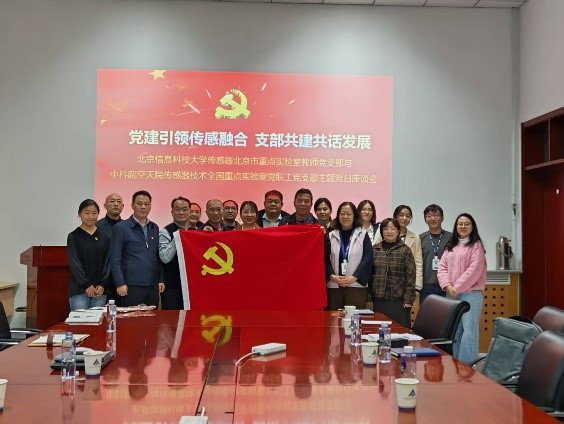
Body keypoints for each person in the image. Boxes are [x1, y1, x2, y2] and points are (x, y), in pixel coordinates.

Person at [438, 213, 486, 365]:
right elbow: (442, 268)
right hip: (451, 295)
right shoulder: (451, 246)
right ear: (456, 227)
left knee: (469, 332)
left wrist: (456, 288)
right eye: (460, 224)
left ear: (472, 227)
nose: (463, 226)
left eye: (467, 224)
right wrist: (447, 286)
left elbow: (474, 270)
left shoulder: (476, 246)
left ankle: (468, 367)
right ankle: (457, 366)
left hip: (470, 295)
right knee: (455, 332)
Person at [110, 190, 164, 307]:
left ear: (150, 206)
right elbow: (115, 258)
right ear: (132, 205)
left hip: (152, 285)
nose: (143, 207)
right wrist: (120, 283)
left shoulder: (154, 227)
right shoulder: (120, 228)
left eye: (146, 204)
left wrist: (161, 279)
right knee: (132, 318)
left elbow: (157, 256)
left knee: (152, 318)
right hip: (130, 285)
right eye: (139, 203)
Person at [325, 202, 373, 310]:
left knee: (354, 318)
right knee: (333, 318)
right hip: (334, 286)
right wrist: (332, 276)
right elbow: (326, 258)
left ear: (354, 216)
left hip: (356, 286)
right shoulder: (331, 235)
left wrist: (354, 277)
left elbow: (367, 258)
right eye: (342, 213)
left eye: (348, 214)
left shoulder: (362, 234)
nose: (345, 216)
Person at [372, 218, 416, 328]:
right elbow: (370, 275)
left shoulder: (405, 250)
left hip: (398, 301)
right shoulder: (375, 249)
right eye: (385, 229)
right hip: (378, 299)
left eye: (393, 228)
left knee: (398, 332)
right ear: (381, 232)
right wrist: (369, 297)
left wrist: (408, 299)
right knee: (378, 332)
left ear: (398, 231)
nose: (389, 231)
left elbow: (411, 276)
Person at [67, 199, 110, 311]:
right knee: (80, 321)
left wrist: (103, 284)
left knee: (97, 321)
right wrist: (86, 284)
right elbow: (74, 263)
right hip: (80, 290)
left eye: (94, 213)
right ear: (79, 214)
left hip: (100, 290)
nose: (91, 216)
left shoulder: (104, 236)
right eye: (87, 213)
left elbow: (108, 262)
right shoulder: (73, 236)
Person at [159, 196, 191, 310]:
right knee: (171, 319)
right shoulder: (165, 231)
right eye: (177, 209)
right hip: (172, 286)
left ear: (190, 211)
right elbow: (165, 258)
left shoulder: (195, 231)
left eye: (184, 209)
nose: (181, 212)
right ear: (172, 212)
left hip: (192, 286)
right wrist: (178, 236)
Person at [419, 204, 453, 305]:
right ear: (425, 219)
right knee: (427, 314)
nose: (433, 218)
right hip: (426, 287)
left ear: (442, 218)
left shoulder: (452, 238)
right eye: (429, 216)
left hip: (447, 287)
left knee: (447, 315)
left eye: (436, 215)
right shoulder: (420, 238)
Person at [96, 193, 124, 304]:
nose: (116, 204)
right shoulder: (97, 227)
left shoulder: (127, 227)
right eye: (112, 201)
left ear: (123, 206)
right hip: (102, 281)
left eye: (119, 202)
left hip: (123, 280)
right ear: (105, 206)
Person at [392, 205, 423, 300]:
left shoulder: (415, 237)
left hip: (407, 283)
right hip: (387, 281)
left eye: (408, 216)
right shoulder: (384, 232)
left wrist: (417, 287)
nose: (404, 218)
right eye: (401, 215)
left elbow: (418, 263)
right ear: (395, 216)